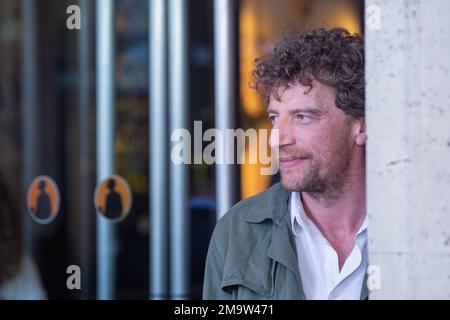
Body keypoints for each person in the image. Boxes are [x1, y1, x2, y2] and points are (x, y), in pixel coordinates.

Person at [203, 28, 367, 300]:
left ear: (360, 126)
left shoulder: (418, 230)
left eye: (302, 117)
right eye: (275, 118)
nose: (277, 139)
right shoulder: (237, 231)